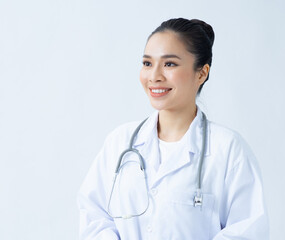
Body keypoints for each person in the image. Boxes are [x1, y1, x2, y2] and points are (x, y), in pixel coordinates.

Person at [77, 18, 269, 239]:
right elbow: (94, 216)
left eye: (169, 64)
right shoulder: (120, 142)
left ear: (202, 73)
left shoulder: (228, 150)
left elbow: (247, 230)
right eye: (147, 63)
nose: (155, 76)